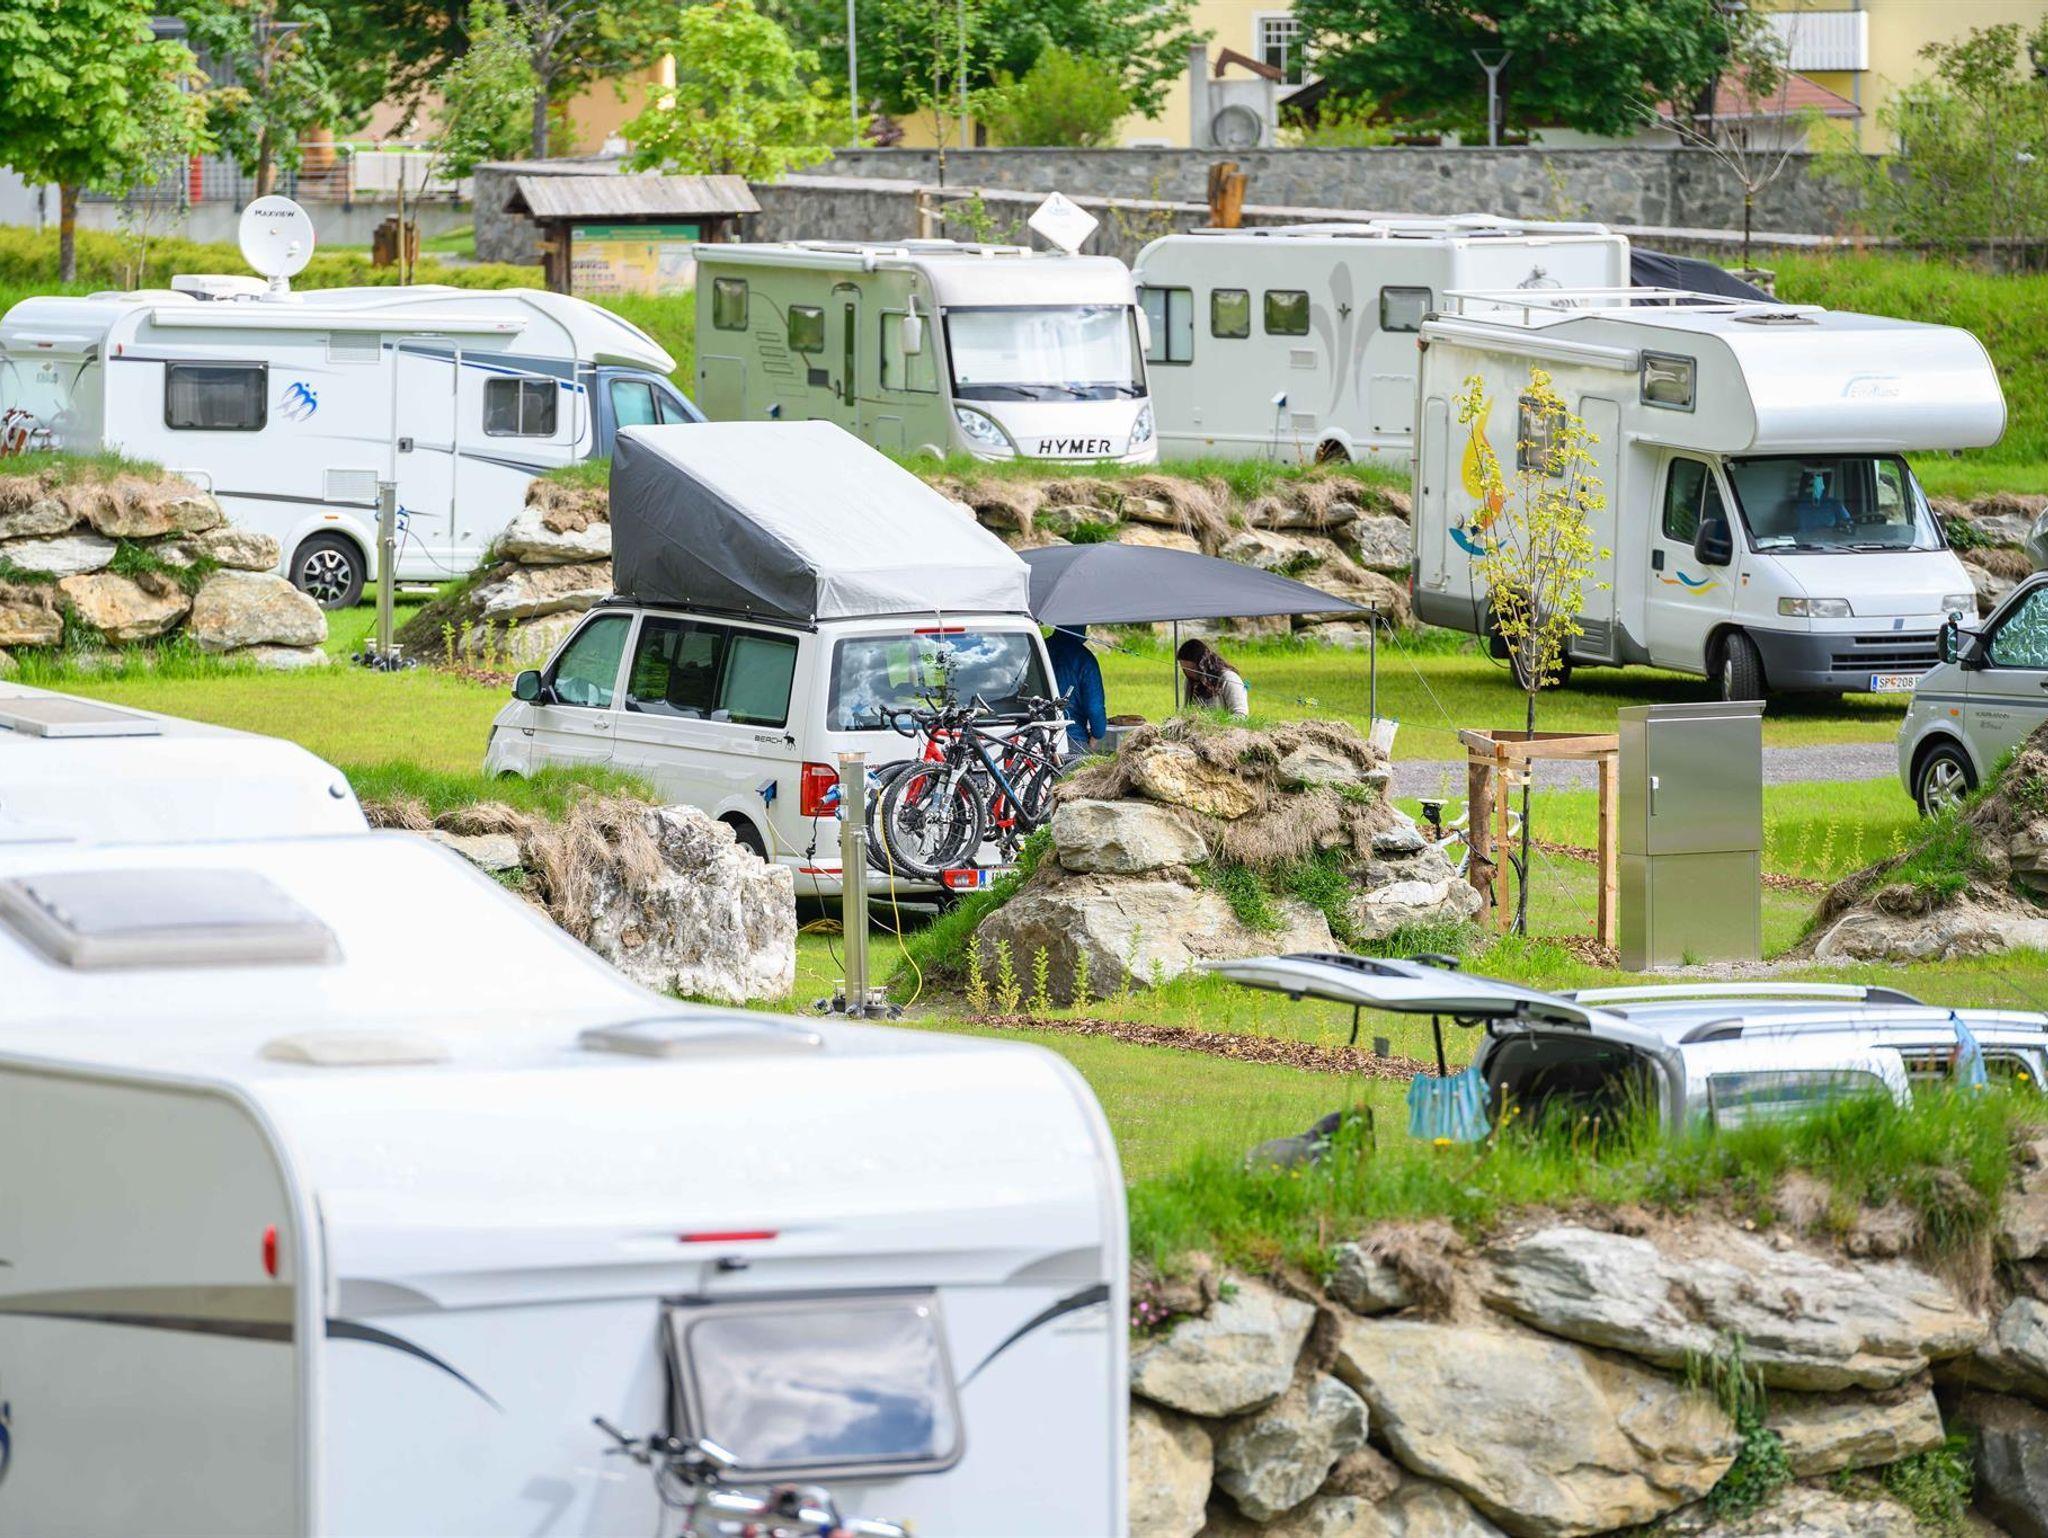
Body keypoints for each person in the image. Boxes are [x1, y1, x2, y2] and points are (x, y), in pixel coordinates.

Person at [1044, 625, 1106, 757]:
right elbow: (1095, 708)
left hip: (1034, 736)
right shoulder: (1085, 659)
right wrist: (1097, 735)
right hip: (1073, 738)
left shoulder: (1040, 649)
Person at [1177, 637, 1249, 717]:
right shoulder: (1190, 681)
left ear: (1203, 664)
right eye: (1185, 669)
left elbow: (1241, 714)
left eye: (1193, 669)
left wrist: (1217, 724)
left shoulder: (1229, 678)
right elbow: (1187, 711)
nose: (1189, 673)